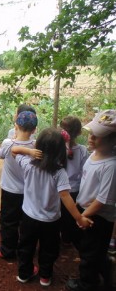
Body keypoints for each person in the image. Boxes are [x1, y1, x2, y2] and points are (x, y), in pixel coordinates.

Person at [12, 128, 93, 287]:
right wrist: (79, 217)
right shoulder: (59, 172)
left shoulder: (28, 163)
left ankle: (24, 274)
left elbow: (13, 151)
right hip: (50, 220)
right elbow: (66, 197)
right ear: (60, 150)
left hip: (28, 217)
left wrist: (29, 151)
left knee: (26, 245)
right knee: (49, 249)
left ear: (38, 146)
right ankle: (45, 277)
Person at [66, 110, 116, 291]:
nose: (91, 138)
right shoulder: (93, 155)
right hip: (85, 209)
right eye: (91, 133)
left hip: (98, 217)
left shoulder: (110, 165)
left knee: (89, 253)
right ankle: (103, 265)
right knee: (87, 247)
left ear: (112, 140)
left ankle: (87, 284)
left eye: (97, 136)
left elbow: (102, 200)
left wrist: (82, 216)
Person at [0, 111, 38, 259]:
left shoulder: (8, 143)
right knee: (25, 221)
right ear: (34, 130)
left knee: (8, 220)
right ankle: (24, 250)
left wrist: (13, 139)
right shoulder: (35, 145)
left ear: (16, 126)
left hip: (10, 190)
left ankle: (7, 250)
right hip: (29, 191)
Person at [59, 116, 89, 245]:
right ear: (79, 133)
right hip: (74, 190)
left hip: (58, 190)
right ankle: (67, 240)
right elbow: (84, 173)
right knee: (69, 217)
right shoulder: (82, 150)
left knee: (57, 215)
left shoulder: (57, 148)